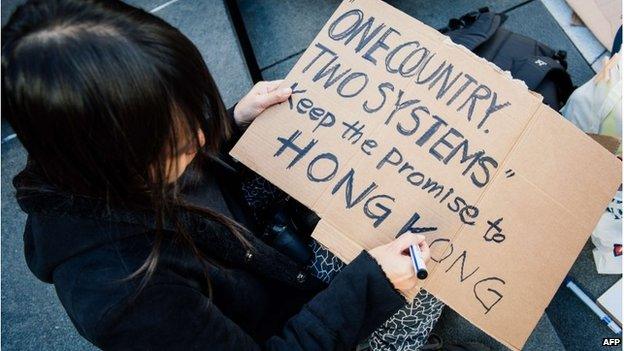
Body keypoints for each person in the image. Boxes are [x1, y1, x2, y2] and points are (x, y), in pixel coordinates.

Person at [2, 0, 437, 349]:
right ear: (105, 156)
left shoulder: (99, 160)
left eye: (195, 111)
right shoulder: (128, 300)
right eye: (172, 144)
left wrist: (234, 122)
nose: (198, 137)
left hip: (273, 261)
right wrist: (371, 288)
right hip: (290, 324)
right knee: (432, 282)